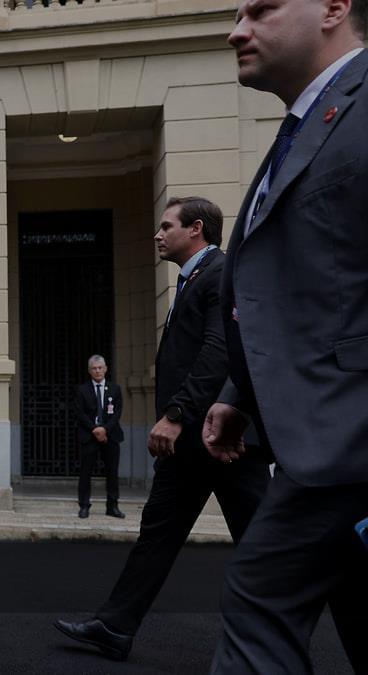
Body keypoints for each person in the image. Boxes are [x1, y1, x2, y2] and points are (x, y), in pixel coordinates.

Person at [204, 0, 368, 670]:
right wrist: (239, 392)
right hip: (318, 438)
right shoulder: (306, 123)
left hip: (347, 440)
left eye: (261, 9)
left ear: (334, 7)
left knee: (259, 601)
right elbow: (311, 288)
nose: (236, 30)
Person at [54, 197, 270, 661]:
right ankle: (114, 627)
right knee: (157, 534)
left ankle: (277, 643)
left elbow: (218, 352)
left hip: (222, 438)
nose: (158, 234)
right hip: (192, 444)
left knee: (263, 544)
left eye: (166, 226)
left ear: (196, 229)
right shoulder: (193, 278)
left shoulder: (219, 274)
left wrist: (175, 414)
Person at [75, 356, 124, 518]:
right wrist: (95, 429)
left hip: (111, 436)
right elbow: (80, 413)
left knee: (112, 472)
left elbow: (117, 413)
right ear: (89, 371)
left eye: (100, 368)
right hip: (89, 436)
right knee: (85, 472)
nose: (97, 371)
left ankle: (112, 506)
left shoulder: (115, 389)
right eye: (94, 368)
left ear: (105, 369)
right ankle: (84, 505)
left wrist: (105, 429)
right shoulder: (82, 390)